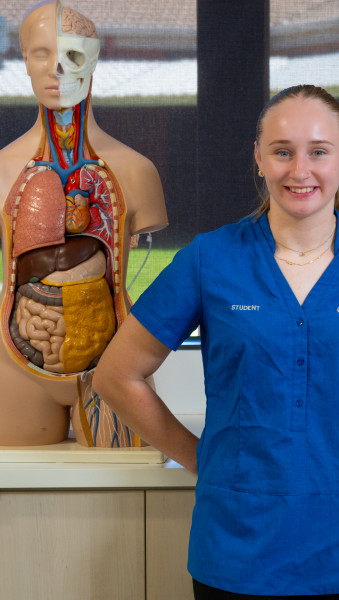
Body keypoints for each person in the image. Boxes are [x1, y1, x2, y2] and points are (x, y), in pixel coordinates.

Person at [93, 84, 339, 598]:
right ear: (259, 159)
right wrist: (202, 458)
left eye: (318, 152)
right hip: (237, 549)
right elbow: (117, 375)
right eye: (282, 151)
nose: (300, 170)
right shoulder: (209, 259)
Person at [0, 1, 167, 447]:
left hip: (114, 363)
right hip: (16, 363)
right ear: (24, 61)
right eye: (41, 54)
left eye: (72, 55)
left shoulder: (136, 171)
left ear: (93, 61)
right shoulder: (2, 170)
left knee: (126, 481)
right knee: (21, 482)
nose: (56, 69)